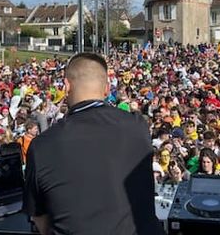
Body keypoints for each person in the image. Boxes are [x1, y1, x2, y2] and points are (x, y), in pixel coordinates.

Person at [23, 53, 163, 235]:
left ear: (66, 86)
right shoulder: (137, 126)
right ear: (106, 89)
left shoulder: (42, 145)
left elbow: (40, 220)